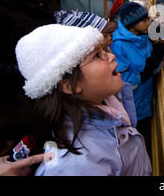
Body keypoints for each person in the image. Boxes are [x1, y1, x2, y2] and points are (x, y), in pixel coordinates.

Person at [15, 24, 152, 176]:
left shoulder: (108, 102)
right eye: (96, 55)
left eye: (104, 50)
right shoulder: (74, 166)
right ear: (69, 86)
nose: (111, 56)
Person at [110, 2, 164, 157]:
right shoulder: (119, 46)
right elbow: (122, 82)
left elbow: (152, 67)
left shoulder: (143, 39)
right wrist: (146, 70)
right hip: (132, 110)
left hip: (145, 103)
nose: (149, 23)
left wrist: (156, 59)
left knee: (146, 145)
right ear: (132, 24)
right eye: (144, 21)